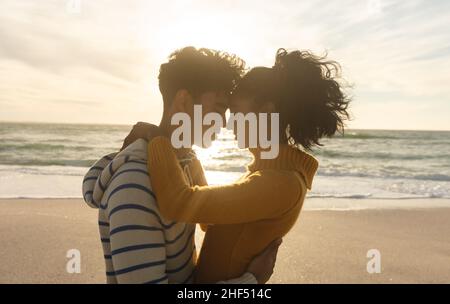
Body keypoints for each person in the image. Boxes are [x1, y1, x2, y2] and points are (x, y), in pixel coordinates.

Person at [127, 48, 350, 283]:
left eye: (235, 112)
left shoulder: (280, 183)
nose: (227, 123)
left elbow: (178, 203)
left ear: (266, 110)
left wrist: (157, 137)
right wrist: (188, 157)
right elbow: (209, 218)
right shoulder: (268, 174)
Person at [82, 47, 281, 284]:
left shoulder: (182, 165)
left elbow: (210, 221)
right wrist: (251, 282)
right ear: (184, 101)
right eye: (218, 108)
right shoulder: (135, 185)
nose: (225, 122)